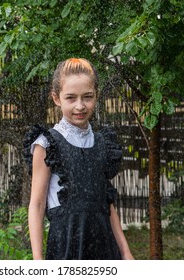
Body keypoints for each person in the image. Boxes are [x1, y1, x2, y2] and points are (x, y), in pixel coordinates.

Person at [23, 58, 134, 260]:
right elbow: (37, 205)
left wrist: (126, 252)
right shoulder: (47, 144)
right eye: (71, 98)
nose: (80, 106)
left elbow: (106, 204)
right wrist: (37, 262)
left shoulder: (102, 143)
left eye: (87, 97)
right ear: (57, 98)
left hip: (105, 246)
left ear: (96, 96)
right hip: (66, 246)